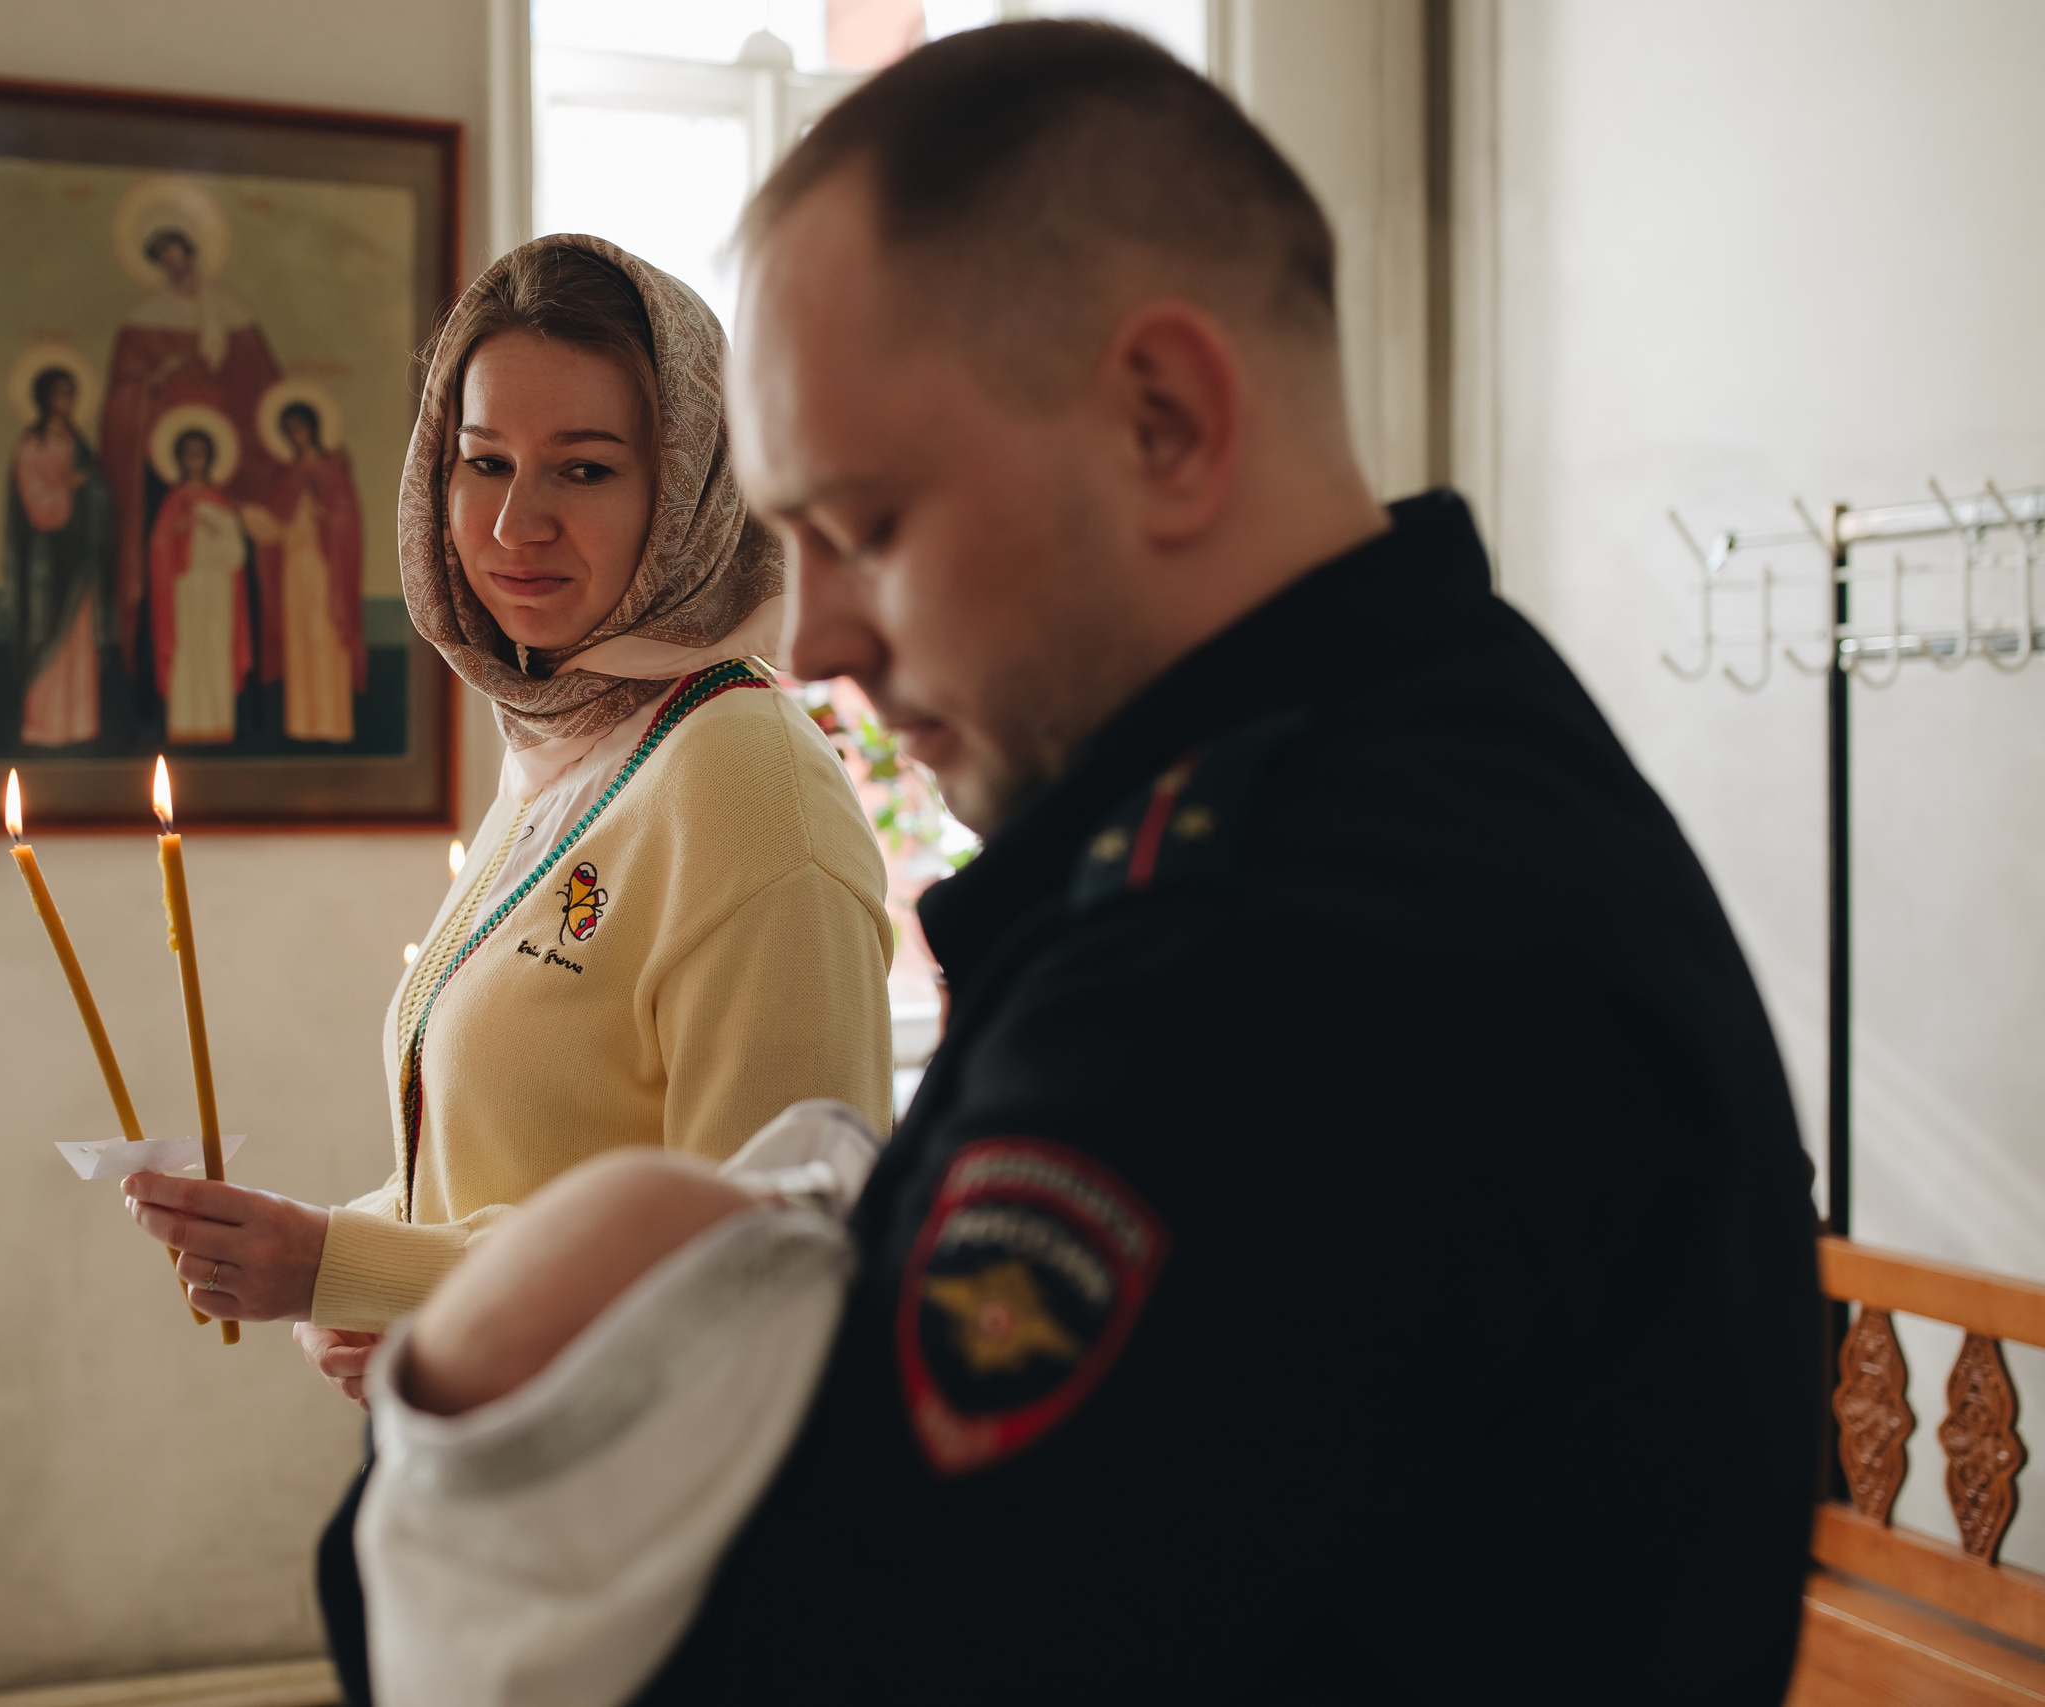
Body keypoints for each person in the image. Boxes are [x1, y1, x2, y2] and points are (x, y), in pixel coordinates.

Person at [320, 23, 1824, 1707]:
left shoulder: (1259, 957)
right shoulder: (1437, 751)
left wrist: (453, 1444)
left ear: (1166, 420)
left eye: (867, 525)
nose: (816, 636)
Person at [117, 234, 895, 1391]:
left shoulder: (743, 780)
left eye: (582, 469)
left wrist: (346, 1264)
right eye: (484, 462)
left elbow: (764, 1259)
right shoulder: (574, 741)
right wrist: (345, 1259)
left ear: (686, 487)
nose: (511, 524)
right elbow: (522, 1166)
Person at [101, 179, 285, 714]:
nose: (174, 265)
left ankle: (239, 697)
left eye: (179, 253)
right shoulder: (142, 320)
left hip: (226, 458)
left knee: (234, 573)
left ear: (194, 254)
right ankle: (157, 695)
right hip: (162, 463)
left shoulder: (228, 312)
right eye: (163, 258)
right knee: (166, 565)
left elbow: (262, 389)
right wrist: (155, 381)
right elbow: (122, 400)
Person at [242, 385, 366, 743]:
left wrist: (326, 516)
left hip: (326, 569)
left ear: (313, 429)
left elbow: (347, 520)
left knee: (325, 639)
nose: (295, 436)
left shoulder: (333, 471)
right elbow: (270, 525)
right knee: (301, 643)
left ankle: (332, 724)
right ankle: (303, 724)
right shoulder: (285, 476)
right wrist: (245, 514)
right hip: (293, 571)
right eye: (289, 430)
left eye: (300, 428)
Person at [2, 358, 115, 748]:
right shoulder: (31, 445)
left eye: (71, 394)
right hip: (47, 561)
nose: (67, 401)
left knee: (77, 641)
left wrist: (90, 487)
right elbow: (36, 504)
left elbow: (100, 491)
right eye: (60, 394)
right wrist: (69, 485)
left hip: (80, 558)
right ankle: (46, 725)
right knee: (47, 637)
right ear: (44, 398)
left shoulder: (77, 443)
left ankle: (80, 722)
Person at [145, 409, 250, 744]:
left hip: (217, 588)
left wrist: (214, 528)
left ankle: (218, 724)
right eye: (188, 453)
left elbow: (236, 553)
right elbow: (158, 547)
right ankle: (187, 725)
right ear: (179, 458)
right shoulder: (172, 502)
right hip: (184, 590)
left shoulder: (220, 502)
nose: (194, 459)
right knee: (187, 654)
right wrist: (175, 533)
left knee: (216, 650)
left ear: (210, 457)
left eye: (200, 453)